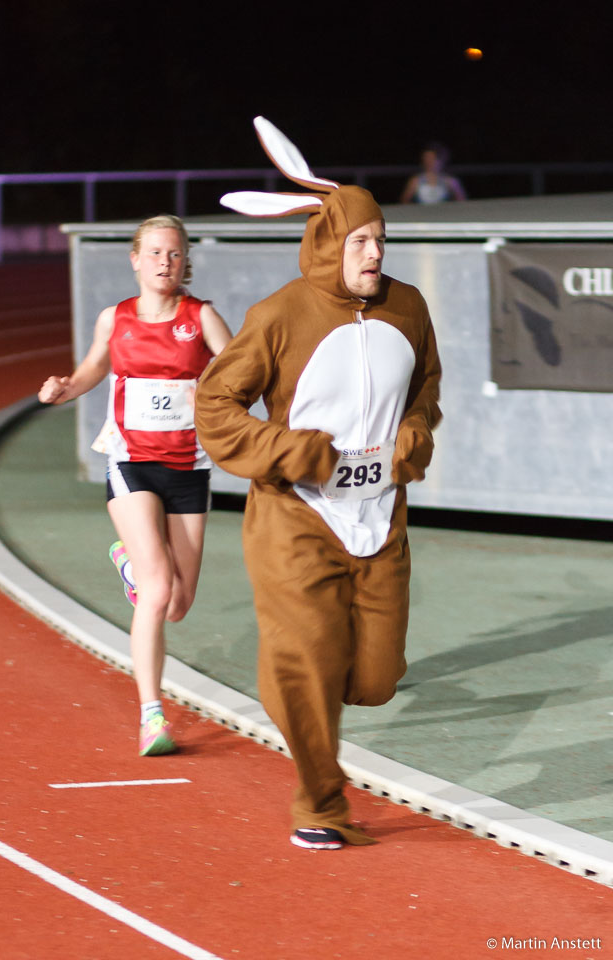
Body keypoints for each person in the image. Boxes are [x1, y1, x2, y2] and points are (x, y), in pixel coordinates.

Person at [195, 118, 442, 850]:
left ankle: (297, 674)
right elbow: (215, 406)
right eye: (362, 241)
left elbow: (426, 387)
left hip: (379, 519)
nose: (375, 252)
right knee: (309, 662)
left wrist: (415, 434)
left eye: (381, 239)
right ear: (332, 245)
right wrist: (293, 452)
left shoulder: (408, 308)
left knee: (373, 679)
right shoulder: (278, 317)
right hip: (295, 520)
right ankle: (321, 805)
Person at [39, 214, 231, 756]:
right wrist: (62, 388)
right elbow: (91, 371)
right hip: (131, 463)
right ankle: (152, 715)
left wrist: (228, 397)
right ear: (135, 259)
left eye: (173, 254)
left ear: (184, 261)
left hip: (189, 467)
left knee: (178, 603)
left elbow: (244, 367)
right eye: (154, 253)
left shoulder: (202, 317)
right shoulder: (114, 320)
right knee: (157, 590)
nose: (164, 263)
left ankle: (127, 561)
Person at [400, 142, 466, 204]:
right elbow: (404, 202)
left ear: (440, 160)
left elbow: (462, 203)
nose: (428, 162)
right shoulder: (415, 181)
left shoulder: (451, 181)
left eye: (432, 159)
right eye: (426, 159)